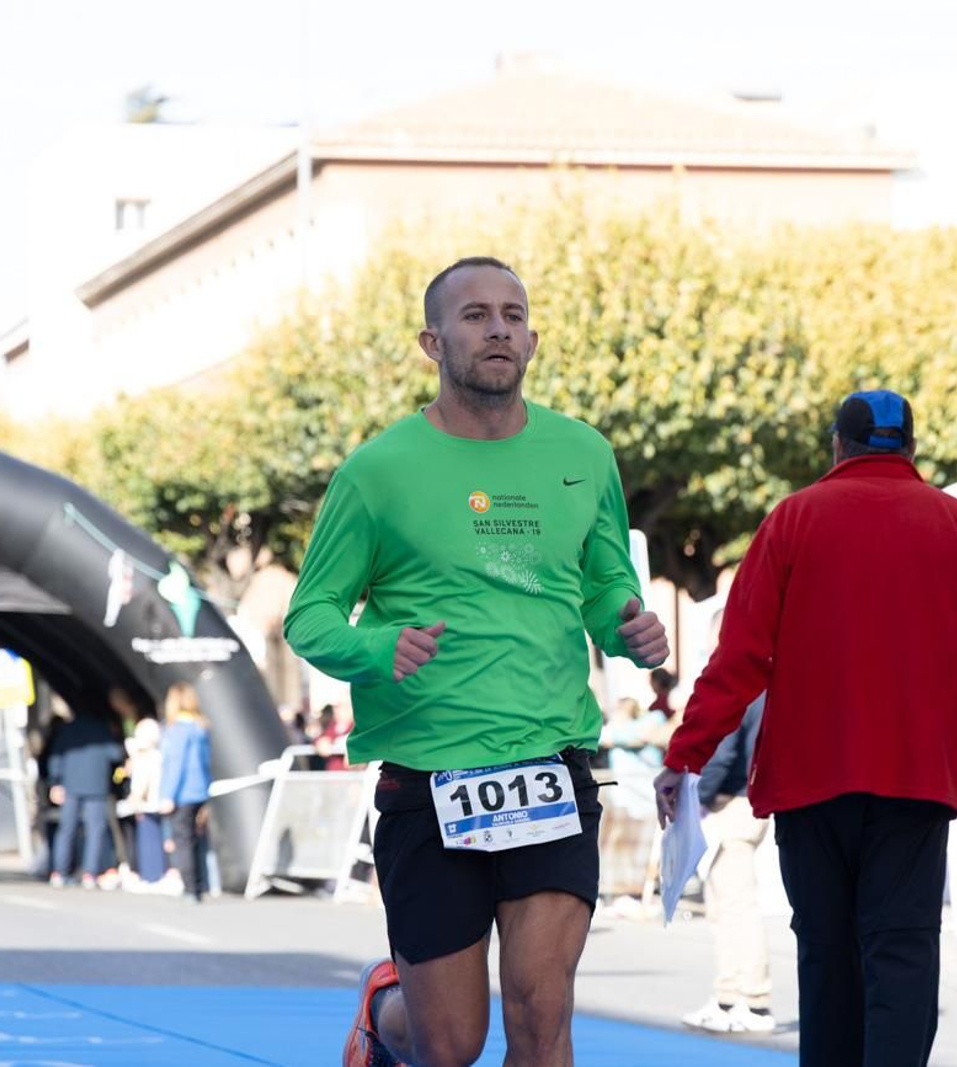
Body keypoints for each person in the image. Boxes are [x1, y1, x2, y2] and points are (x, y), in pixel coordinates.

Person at [283, 256, 668, 1067]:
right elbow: (309, 616)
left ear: (531, 337)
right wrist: (376, 647)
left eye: (513, 314)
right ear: (432, 341)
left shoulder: (583, 454)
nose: (499, 328)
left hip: (550, 765)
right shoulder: (378, 472)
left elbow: (603, 583)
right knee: (448, 1043)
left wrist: (627, 621)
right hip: (430, 778)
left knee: (541, 1013)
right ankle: (385, 1012)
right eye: (475, 315)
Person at [655, 389, 957, 1067]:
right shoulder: (954, 524)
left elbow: (740, 658)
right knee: (900, 957)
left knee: (827, 958)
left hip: (808, 782)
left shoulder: (793, 519)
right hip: (915, 780)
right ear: (913, 450)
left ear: (837, 446)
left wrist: (686, 753)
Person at [681, 693, 773, 1034]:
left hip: (734, 801)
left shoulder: (744, 686)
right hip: (743, 798)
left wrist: (698, 799)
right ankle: (730, 997)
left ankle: (753, 1001)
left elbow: (724, 750)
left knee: (735, 905)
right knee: (725, 905)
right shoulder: (763, 684)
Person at [46, 705, 125, 889]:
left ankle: (59, 872)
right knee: (95, 830)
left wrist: (55, 781)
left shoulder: (67, 729)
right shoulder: (103, 728)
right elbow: (115, 754)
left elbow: (56, 755)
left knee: (67, 829)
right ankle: (90, 874)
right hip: (96, 786)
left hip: (71, 785)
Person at [158, 682, 213, 903]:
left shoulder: (177, 730)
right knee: (195, 838)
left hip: (182, 792)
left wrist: (168, 795)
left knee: (182, 840)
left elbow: (176, 764)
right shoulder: (200, 727)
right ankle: (200, 884)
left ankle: (190, 887)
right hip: (199, 789)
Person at [125, 716, 170, 888]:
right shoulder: (160, 754)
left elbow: (141, 783)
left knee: (148, 840)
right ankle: (160, 874)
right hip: (159, 801)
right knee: (159, 838)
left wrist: (134, 798)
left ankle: (151, 877)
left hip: (146, 804)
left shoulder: (144, 757)